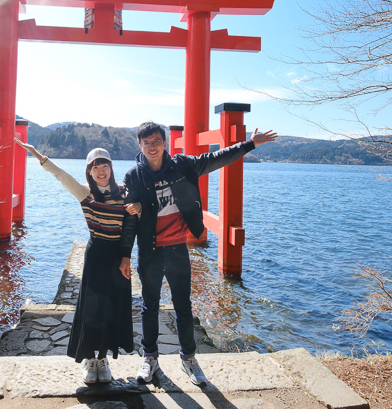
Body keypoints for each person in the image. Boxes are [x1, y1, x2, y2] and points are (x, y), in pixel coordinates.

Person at [118, 122, 277, 386]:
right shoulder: (134, 176)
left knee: (183, 307)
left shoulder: (183, 165)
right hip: (149, 251)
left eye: (157, 141)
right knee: (149, 307)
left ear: (165, 142)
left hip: (178, 248)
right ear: (140, 146)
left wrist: (250, 144)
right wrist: (125, 252)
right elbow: (130, 220)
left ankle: (189, 359)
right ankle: (150, 357)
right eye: (146, 142)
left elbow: (216, 158)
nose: (152, 146)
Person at [14, 137, 140, 384]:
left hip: (117, 256)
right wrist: (38, 154)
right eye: (95, 166)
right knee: (91, 307)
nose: (100, 171)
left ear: (111, 168)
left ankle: (103, 359)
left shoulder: (125, 192)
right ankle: (89, 359)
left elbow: (135, 219)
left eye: (104, 165)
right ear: (89, 171)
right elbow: (61, 176)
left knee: (110, 308)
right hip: (95, 256)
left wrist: (138, 208)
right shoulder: (85, 193)